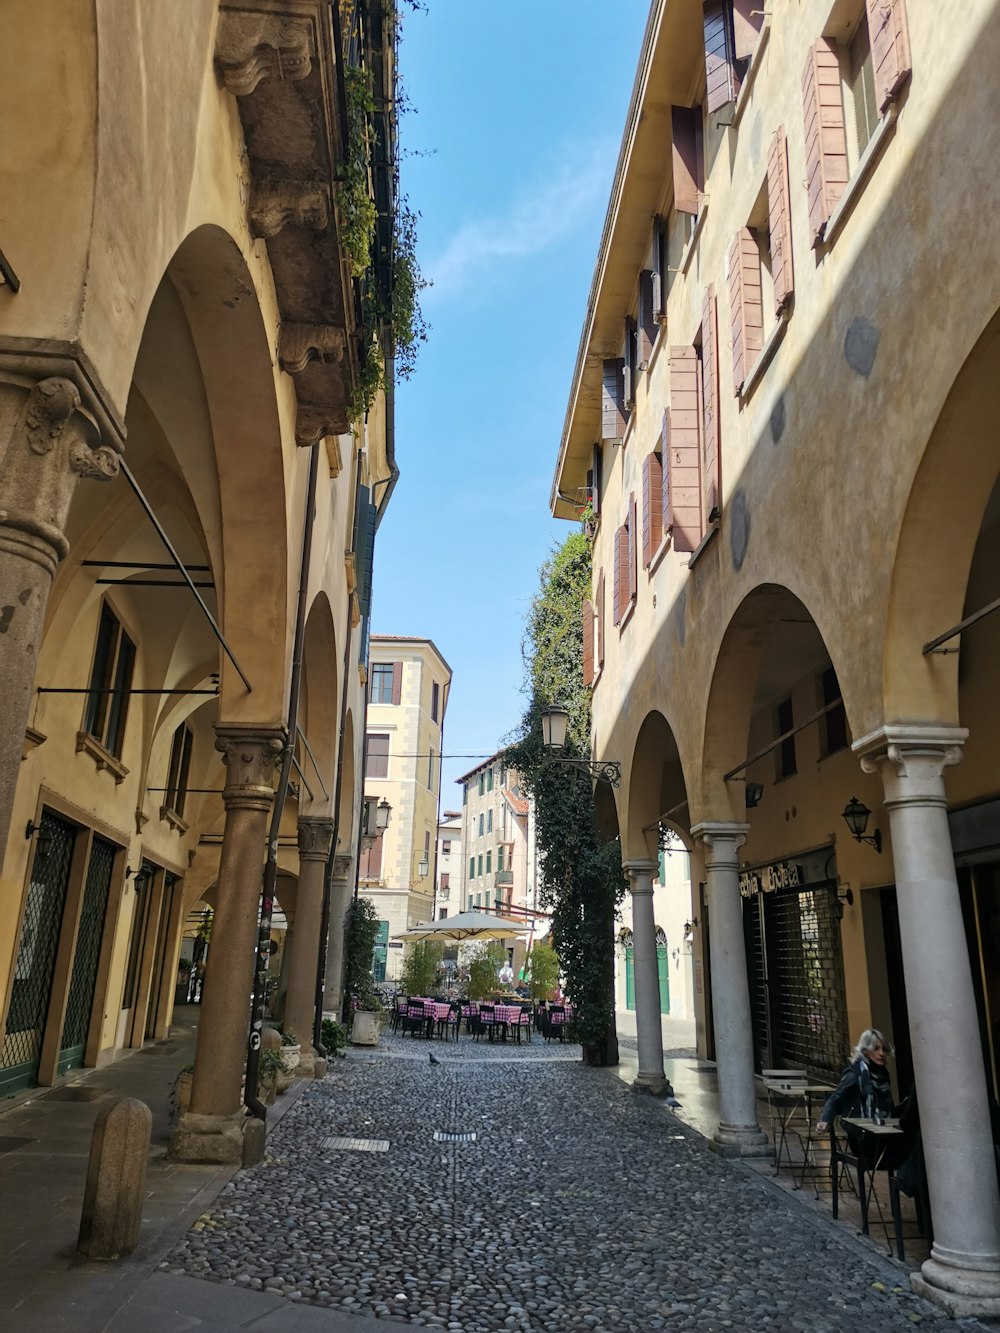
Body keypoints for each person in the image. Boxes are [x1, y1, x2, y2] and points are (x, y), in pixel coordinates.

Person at [817, 1028, 911, 1168]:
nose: (881, 1053)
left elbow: (888, 1107)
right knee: (908, 1154)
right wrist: (825, 1120)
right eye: (876, 1049)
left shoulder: (883, 1074)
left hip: (883, 1131)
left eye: (884, 1049)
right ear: (866, 1051)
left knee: (912, 1147)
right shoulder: (855, 1073)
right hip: (862, 1138)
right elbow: (836, 1099)